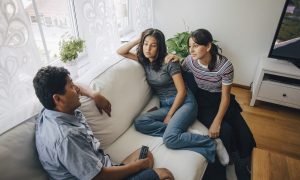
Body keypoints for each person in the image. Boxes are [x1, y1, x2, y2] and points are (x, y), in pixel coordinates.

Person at [33, 66, 174, 180]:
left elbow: (78, 87)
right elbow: (98, 176)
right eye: (71, 87)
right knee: (165, 174)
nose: (77, 89)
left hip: (101, 167)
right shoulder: (66, 138)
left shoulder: (50, 111)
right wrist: (136, 167)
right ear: (58, 98)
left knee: (146, 154)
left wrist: (94, 95)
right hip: (100, 176)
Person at [117, 28, 229, 165]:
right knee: (140, 122)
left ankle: (212, 143)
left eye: (153, 45)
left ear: (160, 47)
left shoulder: (169, 62)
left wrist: (170, 115)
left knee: (170, 140)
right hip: (166, 104)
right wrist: (140, 38)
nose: (148, 49)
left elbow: (182, 92)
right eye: (145, 44)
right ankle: (181, 132)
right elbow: (121, 51)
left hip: (185, 103)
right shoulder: (144, 60)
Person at [168, 29, 256, 180]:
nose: (191, 50)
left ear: (208, 46)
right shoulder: (190, 61)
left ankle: (249, 162)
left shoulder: (225, 66)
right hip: (202, 101)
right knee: (225, 131)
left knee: (242, 130)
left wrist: (217, 121)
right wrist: (174, 58)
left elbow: (225, 96)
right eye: (190, 46)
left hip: (221, 98)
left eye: (195, 46)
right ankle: (229, 164)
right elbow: (179, 72)